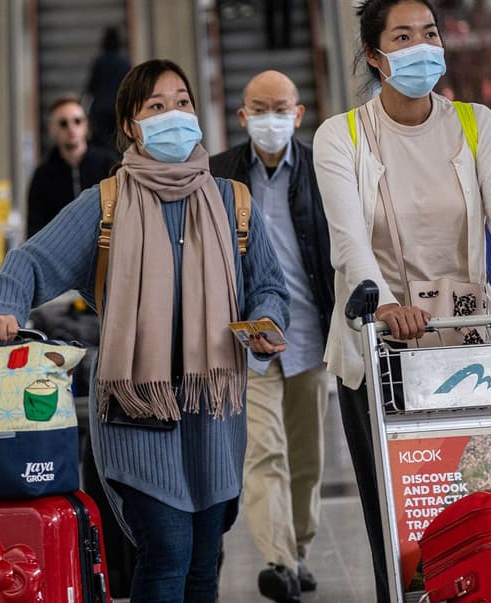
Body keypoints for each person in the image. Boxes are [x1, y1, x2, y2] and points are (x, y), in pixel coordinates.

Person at [0, 58, 290, 602]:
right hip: (135, 409)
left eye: (182, 102)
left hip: (212, 411)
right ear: (131, 125)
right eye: (156, 106)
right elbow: (29, 261)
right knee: (167, 549)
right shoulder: (107, 203)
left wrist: (267, 322)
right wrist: (3, 306)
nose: (174, 114)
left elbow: (267, 286)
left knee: (203, 557)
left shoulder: (230, 201)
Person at [312, 1, 491, 600]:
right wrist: (385, 305)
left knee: (477, 504)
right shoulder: (340, 137)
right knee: (398, 529)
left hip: (467, 346)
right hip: (383, 353)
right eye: (403, 36)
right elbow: (349, 242)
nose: (422, 46)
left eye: (430, 33)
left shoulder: (476, 124)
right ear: (374, 55)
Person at [210, 70, 334, 603]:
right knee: (264, 453)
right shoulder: (220, 176)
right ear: (242, 116)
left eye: (280, 107)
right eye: (259, 108)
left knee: (307, 456)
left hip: (309, 333)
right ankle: (279, 561)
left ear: (299, 113)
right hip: (250, 340)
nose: (270, 119)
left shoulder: (322, 170)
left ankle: (299, 549)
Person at [26, 93, 118, 238]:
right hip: (61, 255)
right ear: (52, 129)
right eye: (63, 123)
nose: (71, 128)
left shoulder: (108, 165)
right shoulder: (42, 176)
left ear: (86, 125)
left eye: (77, 121)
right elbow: (35, 229)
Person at [84, 26, 132, 151]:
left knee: (101, 143)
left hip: (100, 109)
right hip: (118, 108)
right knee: (117, 142)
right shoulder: (125, 62)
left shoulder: (99, 61)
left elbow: (91, 87)